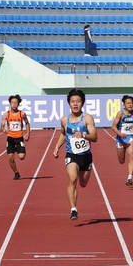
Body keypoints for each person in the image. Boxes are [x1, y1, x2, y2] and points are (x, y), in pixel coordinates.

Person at [53, 88, 98, 220]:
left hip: (86, 156)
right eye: (73, 101)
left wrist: (83, 135)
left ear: (82, 103)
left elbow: (95, 137)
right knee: (72, 179)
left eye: (78, 101)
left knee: (83, 183)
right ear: (69, 103)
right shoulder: (64, 120)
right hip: (71, 155)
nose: (75, 104)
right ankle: (73, 209)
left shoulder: (87, 118)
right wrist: (57, 147)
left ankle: (82, 174)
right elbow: (63, 133)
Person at [111, 95, 133, 186]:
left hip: (130, 138)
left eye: (131, 103)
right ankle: (123, 161)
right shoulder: (120, 114)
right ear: (124, 104)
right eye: (128, 103)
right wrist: (120, 134)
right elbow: (113, 127)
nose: (130, 105)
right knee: (121, 160)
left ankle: (130, 177)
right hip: (120, 139)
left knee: (131, 156)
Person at [0, 94, 30, 180]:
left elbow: (27, 123)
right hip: (10, 139)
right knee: (10, 158)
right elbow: (1, 126)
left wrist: (28, 134)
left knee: (21, 157)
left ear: (18, 104)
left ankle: (19, 148)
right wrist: (4, 130)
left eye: (16, 103)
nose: (14, 104)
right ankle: (16, 173)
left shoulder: (22, 114)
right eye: (12, 102)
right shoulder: (6, 114)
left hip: (19, 137)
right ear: (10, 103)